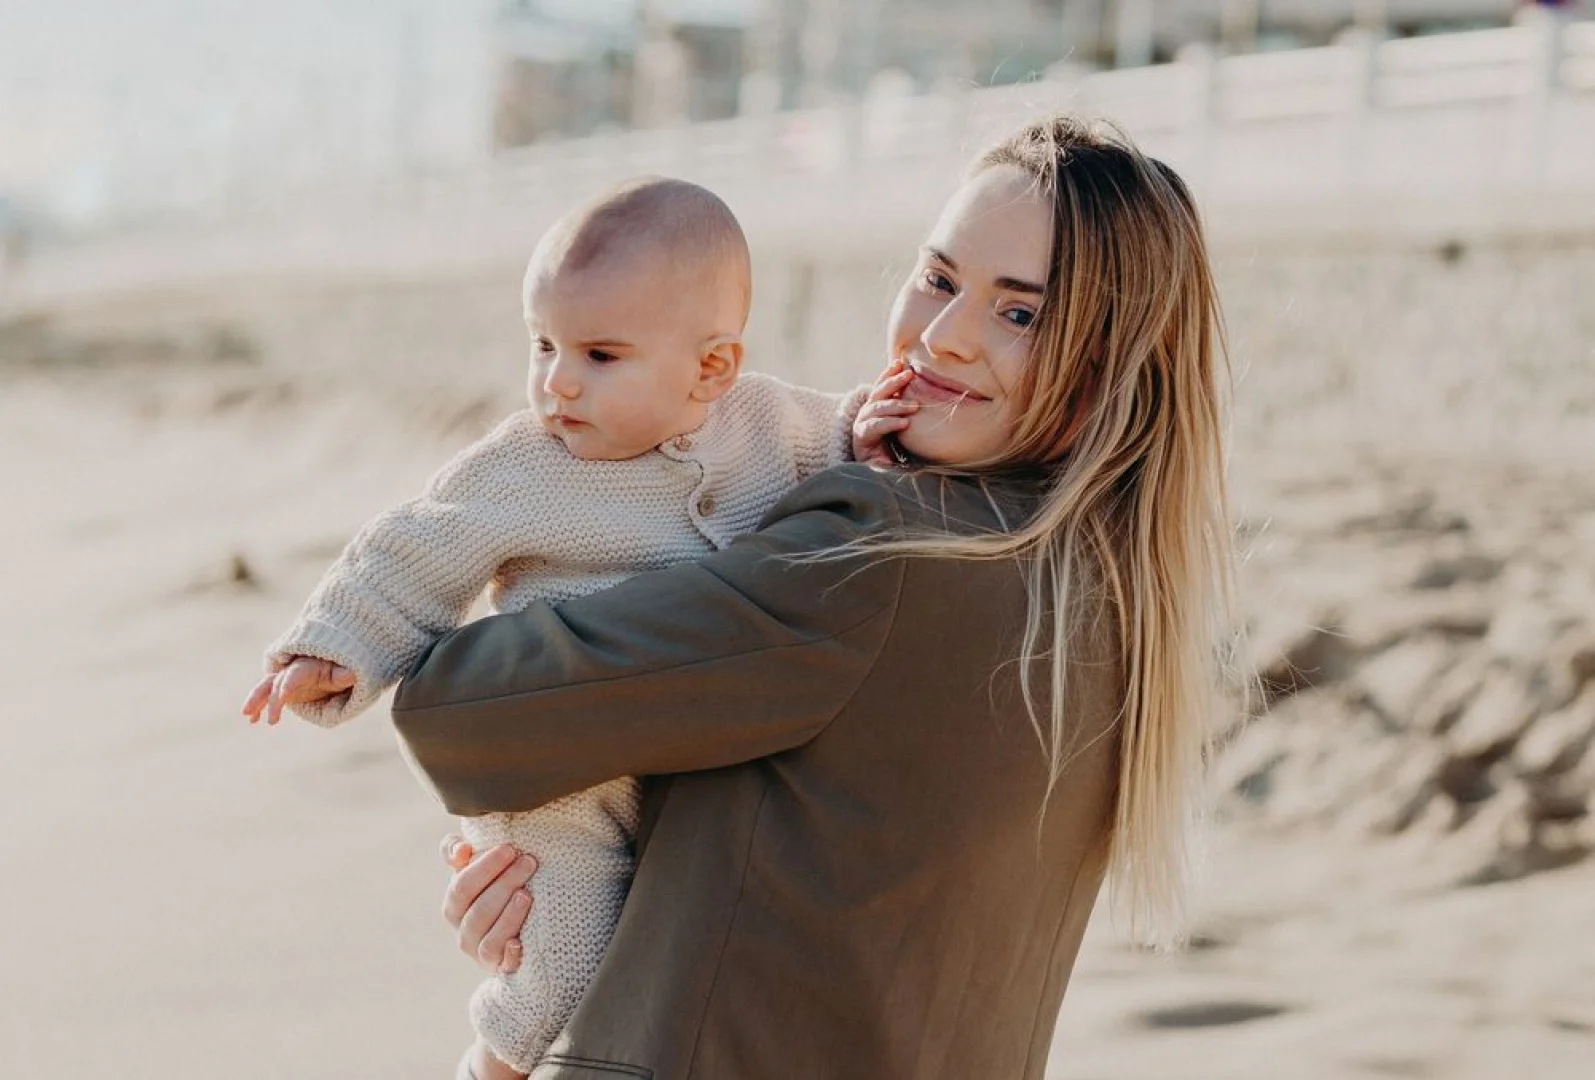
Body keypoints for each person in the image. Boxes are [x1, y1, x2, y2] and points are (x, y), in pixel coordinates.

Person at [399, 115, 1238, 1080]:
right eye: (937, 279)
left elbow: (460, 710)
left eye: (1020, 315)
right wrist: (571, 903)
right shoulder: (1115, 591)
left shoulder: (879, 552)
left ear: (1109, 361)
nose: (943, 338)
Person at [239, 177, 868, 1080]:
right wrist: (336, 646)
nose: (557, 382)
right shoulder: (525, 463)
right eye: (543, 345)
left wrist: (874, 423)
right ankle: (497, 1063)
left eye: (601, 355)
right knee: (566, 958)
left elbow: (848, 437)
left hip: (693, 751)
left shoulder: (770, 422)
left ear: (712, 369)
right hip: (561, 778)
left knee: (682, 938)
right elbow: (415, 547)